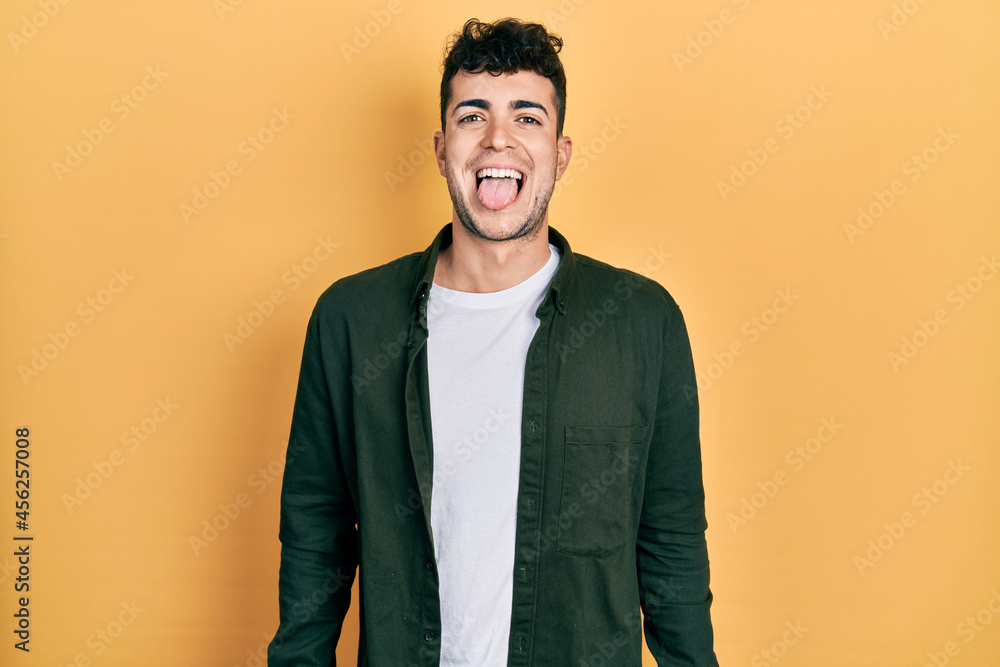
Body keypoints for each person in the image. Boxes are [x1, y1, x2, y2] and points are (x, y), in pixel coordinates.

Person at [268, 17, 718, 666]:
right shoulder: (352, 321)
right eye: (473, 116)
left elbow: (672, 543)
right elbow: (316, 536)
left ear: (560, 153)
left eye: (527, 117)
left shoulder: (642, 323)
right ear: (441, 148)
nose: (498, 138)